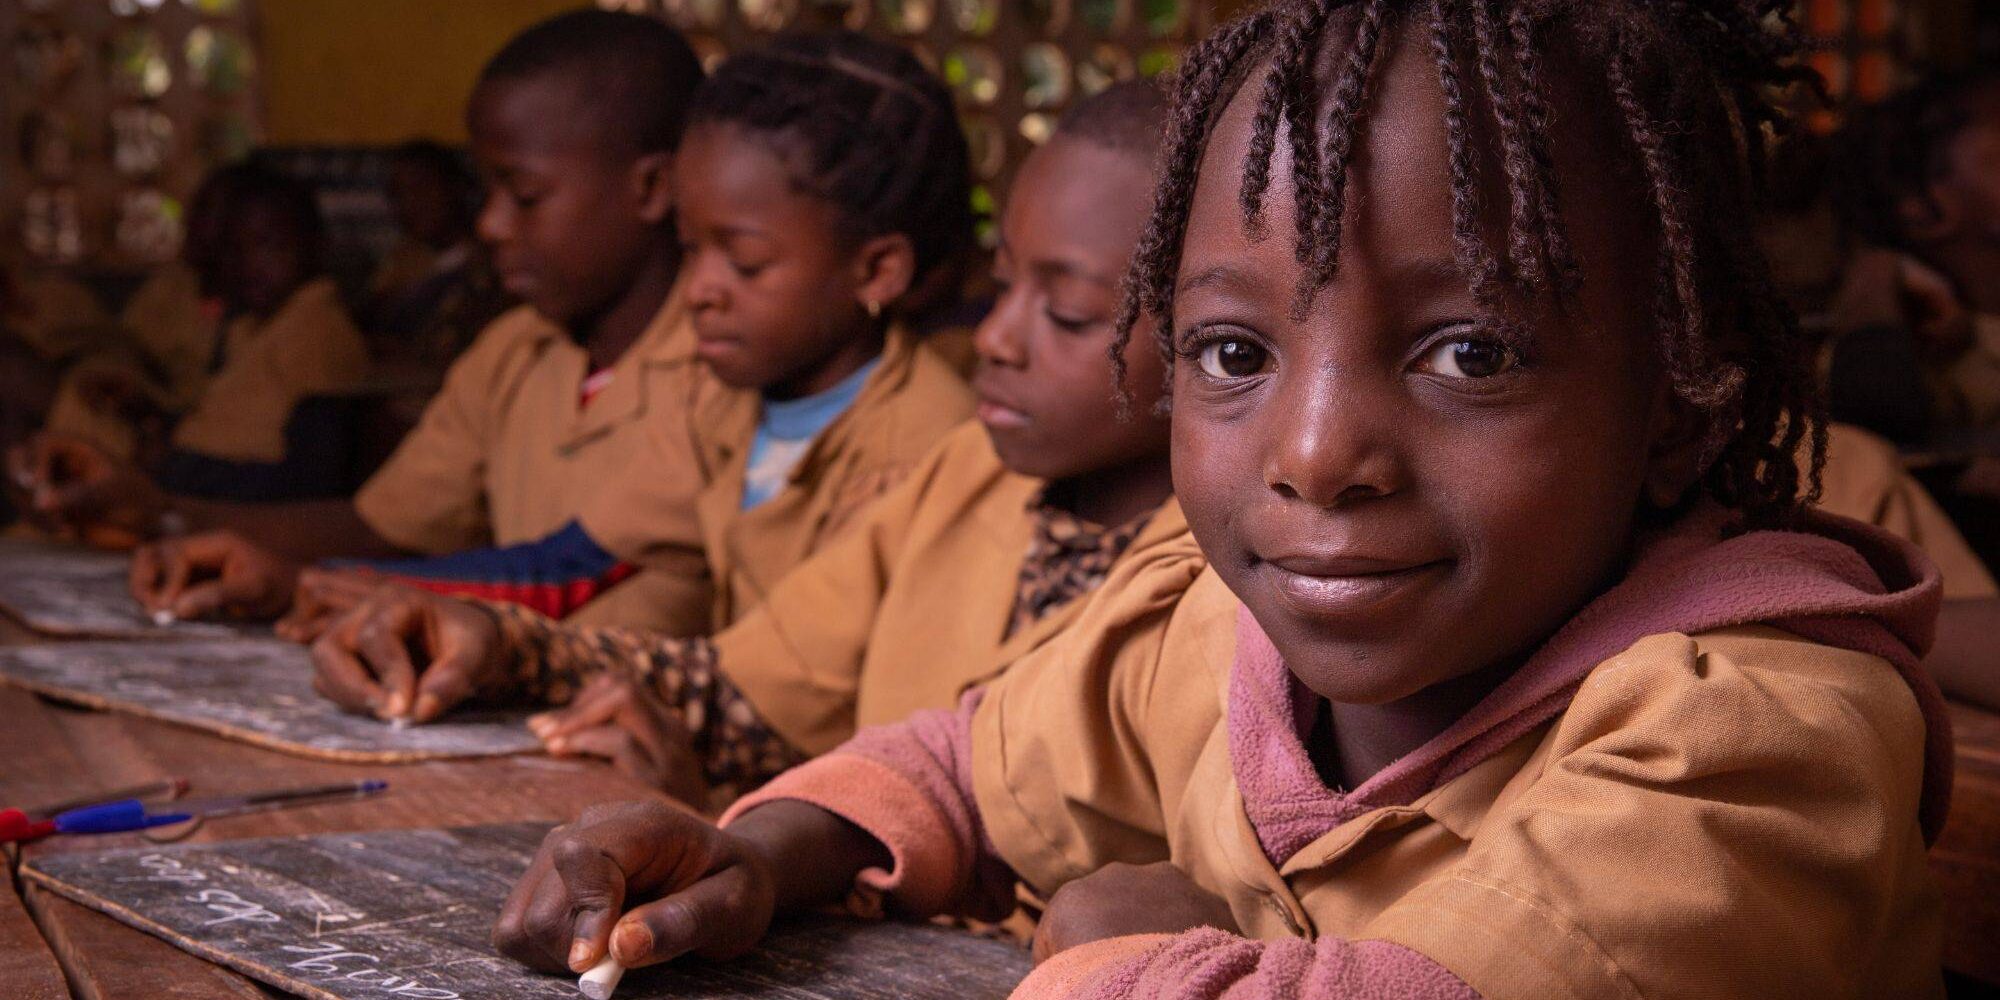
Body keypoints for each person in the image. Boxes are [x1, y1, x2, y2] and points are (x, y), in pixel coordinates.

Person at [491, 4, 1949, 998]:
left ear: (1681, 409)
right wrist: (762, 854)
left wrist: (1114, 949)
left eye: (1472, 352)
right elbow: (969, 763)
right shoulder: (1216, 623)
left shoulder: (1754, 743)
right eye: (1236, 352)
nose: (1316, 454)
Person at [303, 81, 1178, 806]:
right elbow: (746, 691)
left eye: (1065, 313)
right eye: (1003, 284)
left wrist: (727, 822)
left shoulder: (1235, 589)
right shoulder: (974, 474)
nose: (995, 336)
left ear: (1219, 339)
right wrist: (502, 647)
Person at [127, 30, 977, 644]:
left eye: (744, 261)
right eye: (693, 247)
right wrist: (325, 585)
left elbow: (769, 688)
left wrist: (507, 656)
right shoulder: (723, 405)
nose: (703, 289)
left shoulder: (917, 449)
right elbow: (561, 567)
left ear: (877, 273)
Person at [14, 10, 720, 633]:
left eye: (525, 194)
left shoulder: (726, 368)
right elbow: (381, 527)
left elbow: (580, 577)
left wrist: (312, 587)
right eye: (487, 188)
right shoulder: (518, 350)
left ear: (653, 188)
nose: (490, 223)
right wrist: (163, 511)